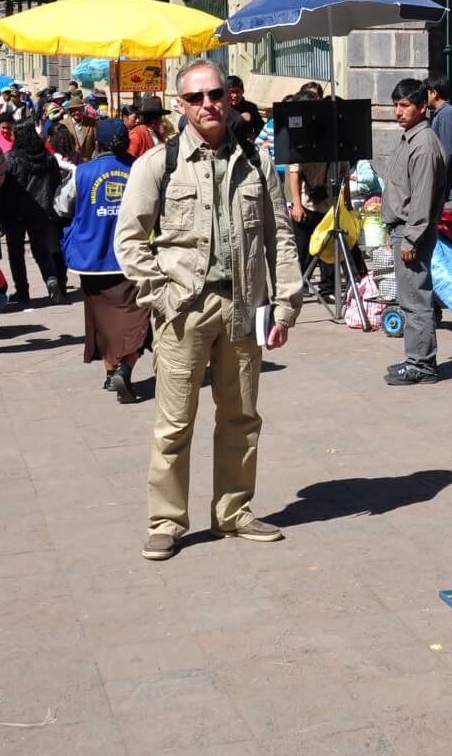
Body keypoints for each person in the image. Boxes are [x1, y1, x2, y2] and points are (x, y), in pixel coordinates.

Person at [116, 58, 302, 561]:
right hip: (184, 312)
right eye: (195, 98)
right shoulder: (159, 163)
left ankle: (234, 513)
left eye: (214, 94)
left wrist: (285, 305)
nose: (207, 105)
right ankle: (167, 521)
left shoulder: (255, 162)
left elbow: (279, 237)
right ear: (182, 105)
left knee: (241, 416)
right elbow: (130, 242)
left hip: (243, 307)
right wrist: (163, 296)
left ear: (230, 97)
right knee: (174, 425)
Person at [56, 117, 148, 403]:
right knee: (139, 321)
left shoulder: (82, 172)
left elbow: (60, 206)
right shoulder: (140, 171)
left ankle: (111, 374)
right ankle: (125, 369)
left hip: (91, 258)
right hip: (131, 259)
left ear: (98, 143)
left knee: (101, 322)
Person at [381, 77, 448, 386]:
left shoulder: (424, 144)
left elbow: (421, 199)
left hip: (413, 233)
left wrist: (410, 238)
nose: (398, 111)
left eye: (405, 105)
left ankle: (421, 365)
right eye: (396, 105)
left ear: (423, 106)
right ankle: (415, 358)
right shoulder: (410, 137)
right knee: (410, 297)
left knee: (415, 299)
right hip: (403, 230)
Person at [0, 118, 67, 304]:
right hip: (42, 211)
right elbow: (56, 184)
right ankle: (51, 279)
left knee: (16, 253)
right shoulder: (49, 158)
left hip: (15, 213)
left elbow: (4, 186)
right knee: (42, 251)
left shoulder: (11, 159)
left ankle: (22, 291)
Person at [426, 78, 452, 175]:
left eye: (426, 94)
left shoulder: (446, 113)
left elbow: (447, 151)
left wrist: (438, 177)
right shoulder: (441, 113)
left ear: (434, 93)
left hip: (449, 179)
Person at [224, 74, 265, 149]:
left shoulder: (251, 107)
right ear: (226, 93)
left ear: (242, 91)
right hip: (227, 148)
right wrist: (240, 118)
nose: (235, 95)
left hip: (247, 150)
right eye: (231, 92)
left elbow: (261, 127)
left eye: (237, 91)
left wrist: (255, 135)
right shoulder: (222, 109)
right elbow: (222, 130)